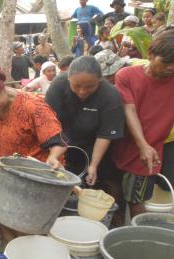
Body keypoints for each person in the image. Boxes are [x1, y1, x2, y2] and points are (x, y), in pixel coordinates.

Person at [0, 61, 67, 242]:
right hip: (8, 178)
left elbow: (58, 141)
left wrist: (53, 157)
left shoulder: (33, 106)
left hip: (36, 181)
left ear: (1, 88)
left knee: (27, 230)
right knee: (4, 220)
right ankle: (12, 258)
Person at [112, 30, 174, 219]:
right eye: (166, 62)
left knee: (137, 201)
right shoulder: (127, 76)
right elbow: (129, 110)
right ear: (151, 55)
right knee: (115, 198)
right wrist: (142, 144)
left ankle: (139, 236)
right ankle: (117, 233)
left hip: (151, 151)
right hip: (121, 145)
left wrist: (147, 147)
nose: (171, 68)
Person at [46, 56, 124, 187]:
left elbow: (104, 135)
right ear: (68, 78)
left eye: (90, 87)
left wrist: (93, 165)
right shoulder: (58, 85)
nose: (82, 91)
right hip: (61, 140)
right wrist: (54, 156)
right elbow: (50, 124)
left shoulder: (110, 95)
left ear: (99, 80)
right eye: (76, 86)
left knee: (106, 179)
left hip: (95, 144)